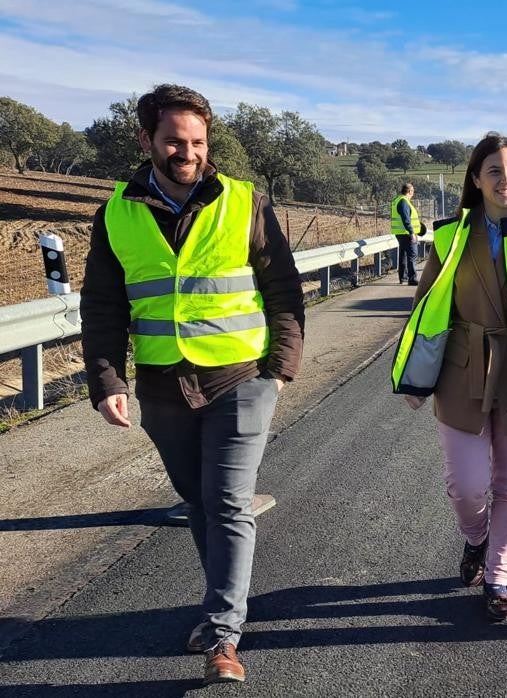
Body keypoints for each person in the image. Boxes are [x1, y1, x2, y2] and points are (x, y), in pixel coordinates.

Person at [81, 84, 304, 684]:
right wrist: (106, 379)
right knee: (200, 501)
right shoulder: (117, 213)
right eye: (175, 141)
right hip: (161, 386)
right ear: (146, 140)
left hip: (241, 376)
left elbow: (282, 287)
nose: (189, 152)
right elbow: (102, 304)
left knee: (229, 502)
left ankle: (224, 637)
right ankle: (222, 610)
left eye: (198, 142)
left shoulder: (243, 201)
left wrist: (281, 366)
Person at [391, 132, 507, 622]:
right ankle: (475, 539)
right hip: (462, 372)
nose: (506, 180)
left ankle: (499, 578)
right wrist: (415, 376)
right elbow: (426, 308)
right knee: (467, 485)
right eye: (494, 171)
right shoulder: (451, 235)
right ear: (476, 179)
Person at [392, 183, 419, 284]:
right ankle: (412, 279)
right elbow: (406, 219)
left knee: (403, 255)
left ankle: (403, 278)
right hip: (407, 233)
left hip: (400, 233)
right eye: (413, 191)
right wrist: (412, 232)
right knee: (412, 255)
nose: (413, 194)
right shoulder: (404, 202)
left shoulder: (397, 200)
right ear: (410, 191)